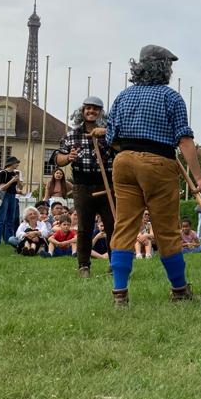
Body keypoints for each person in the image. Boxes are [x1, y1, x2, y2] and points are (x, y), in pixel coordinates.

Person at [104, 44, 201, 307]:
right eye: (169, 65)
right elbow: (184, 140)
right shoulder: (171, 97)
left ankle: (120, 294)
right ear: (163, 68)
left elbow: (111, 138)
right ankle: (179, 290)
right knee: (166, 230)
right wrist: (200, 179)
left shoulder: (123, 96)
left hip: (124, 161)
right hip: (158, 164)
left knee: (124, 226)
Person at [53, 96, 115, 278]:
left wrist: (106, 134)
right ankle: (84, 266)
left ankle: (115, 265)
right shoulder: (71, 135)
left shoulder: (109, 133)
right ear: (82, 111)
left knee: (112, 226)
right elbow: (58, 158)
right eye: (88, 108)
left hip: (107, 184)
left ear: (100, 113)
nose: (91, 111)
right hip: (82, 186)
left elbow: (121, 149)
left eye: (95, 109)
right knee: (84, 228)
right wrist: (68, 157)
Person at [0, 156, 23, 245]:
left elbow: (20, 187)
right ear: (11, 164)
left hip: (13, 196)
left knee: (10, 220)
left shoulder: (15, 173)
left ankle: (8, 240)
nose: (17, 164)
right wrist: (12, 181)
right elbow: (2, 188)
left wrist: (17, 180)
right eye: (16, 163)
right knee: (1, 219)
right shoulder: (3, 173)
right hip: (4, 197)